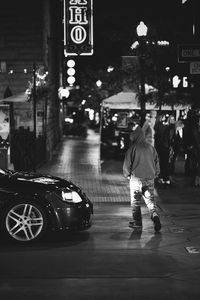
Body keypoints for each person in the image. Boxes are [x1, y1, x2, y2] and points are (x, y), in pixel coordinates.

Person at [123, 125, 161, 232]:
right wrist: (156, 173)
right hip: (149, 179)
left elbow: (127, 164)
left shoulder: (133, 148)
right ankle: (155, 216)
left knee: (135, 201)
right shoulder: (151, 147)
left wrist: (127, 175)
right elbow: (156, 162)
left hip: (136, 179)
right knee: (150, 200)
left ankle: (137, 222)